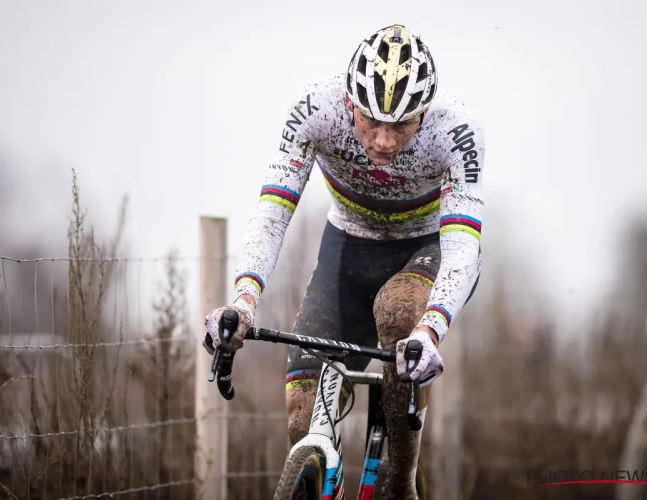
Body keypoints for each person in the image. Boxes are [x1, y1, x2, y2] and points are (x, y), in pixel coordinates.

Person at [203, 23, 484, 498]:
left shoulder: (454, 131)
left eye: (401, 125)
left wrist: (429, 329)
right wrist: (243, 302)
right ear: (349, 102)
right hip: (348, 249)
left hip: (424, 249)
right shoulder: (317, 110)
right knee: (300, 412)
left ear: (425, 113)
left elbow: (463, 245)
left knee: (398, 313)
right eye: (370, 122)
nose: (382, 141)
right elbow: (273, 212)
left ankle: (401, 482)